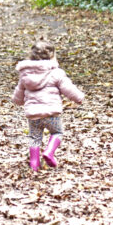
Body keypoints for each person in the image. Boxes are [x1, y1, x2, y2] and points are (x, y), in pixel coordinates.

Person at [10, 40, 85, 172]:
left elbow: (19, 92)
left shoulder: (25, 74)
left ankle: (34, 165)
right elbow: (68, 89)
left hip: (33, 115)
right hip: (51, 113)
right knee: (57, 132)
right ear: (52, 56)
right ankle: (49, 153)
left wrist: (17, 101)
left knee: (34, 138)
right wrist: (79, 98)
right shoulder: (56, 72)